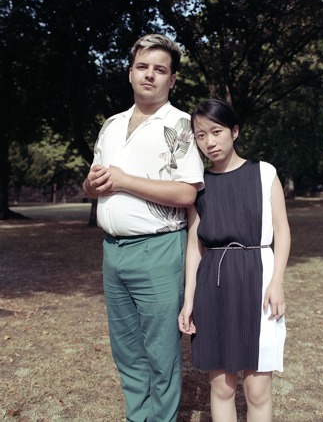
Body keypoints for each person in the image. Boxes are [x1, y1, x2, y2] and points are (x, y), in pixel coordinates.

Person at [83, 33, 204, 422]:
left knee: (160, 352)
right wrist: (92, 185)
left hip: (159, 250)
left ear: (172, 79)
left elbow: (187, 192)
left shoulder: (182, 125)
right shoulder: (111, 125)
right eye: (142, 67)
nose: (149, 75)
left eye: (160, 69)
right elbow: (91, 186)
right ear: (130, 73)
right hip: (112, 250)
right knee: (127, 351)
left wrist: (124, 181)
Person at [178, 99, 291, 422]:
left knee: (257, 390)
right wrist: (189, 300)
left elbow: (282, 231)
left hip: (258, 280)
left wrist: (277, 283)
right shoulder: (198, 185)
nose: (209, 142)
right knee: (223, 388)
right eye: (201, 135)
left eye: (216, 132)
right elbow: (194, 245)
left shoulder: (264, 172)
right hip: (213, 286)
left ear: (235, 131)